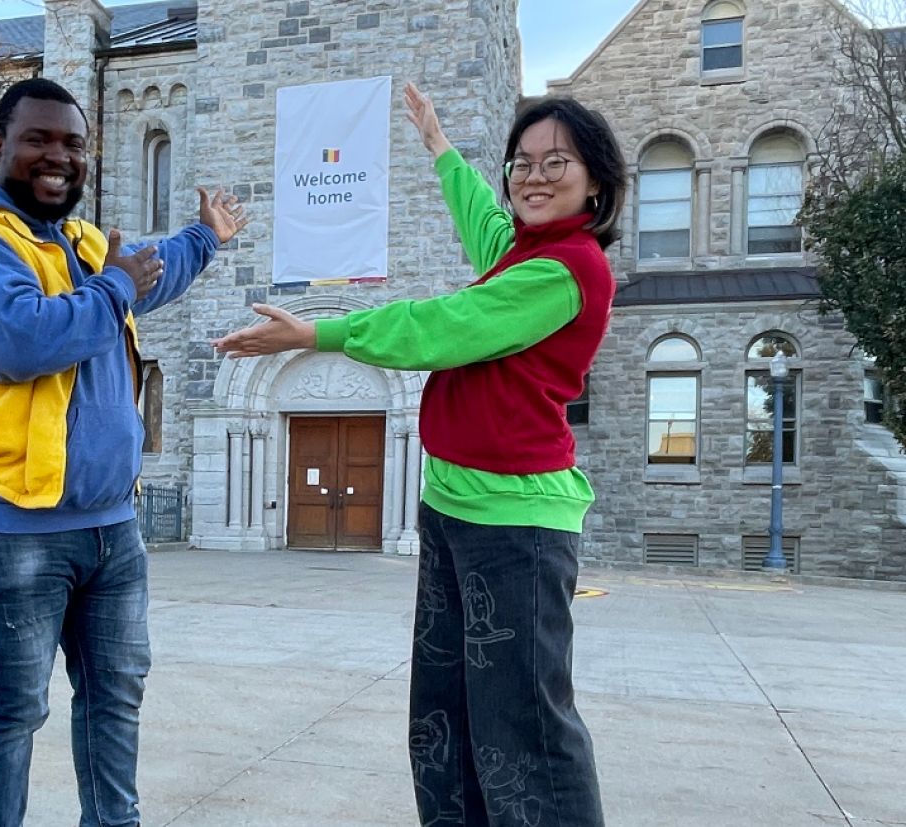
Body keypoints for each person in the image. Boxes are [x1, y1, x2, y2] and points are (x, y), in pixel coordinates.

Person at [213, 82, 625, 827]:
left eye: (556, 163)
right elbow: (482, 222)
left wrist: (319, 335)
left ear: (597, 181)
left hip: (516, 525)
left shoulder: (568, 269)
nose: (533, 176)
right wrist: (439, 146)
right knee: (444, 717)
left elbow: (445, 325)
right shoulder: (521, 254)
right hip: (453, 507)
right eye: (521, 162)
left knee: (523, 730)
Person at [0, 77, 246, 827]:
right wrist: (115, 288)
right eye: (37, 139)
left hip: (110, 527)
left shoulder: (81, 243)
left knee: (116, 696)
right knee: (10, 711)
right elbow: (22, 340)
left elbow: (147, 276)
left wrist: (205, 239)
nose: (57, 156)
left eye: (73, 143)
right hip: (7, 528)